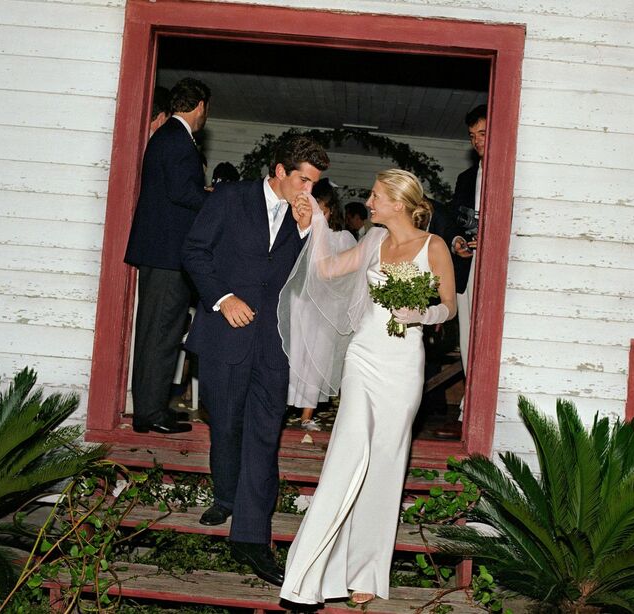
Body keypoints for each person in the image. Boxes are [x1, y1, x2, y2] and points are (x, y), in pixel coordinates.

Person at [278, 169, 457, 606]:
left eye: (376, 197)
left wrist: (423, 315)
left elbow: (449, 307)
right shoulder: (373, 241)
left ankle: (364, 574)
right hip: (363, 355)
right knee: (347, 452)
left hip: (403, 363)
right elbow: (325, 270)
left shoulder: (433, 247)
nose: (369, 203)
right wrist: (317, 224)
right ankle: (308, 574)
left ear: (398, 202)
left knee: (385, 463)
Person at [181, 136, 330, 586]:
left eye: (316, 184)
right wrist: (222, 298)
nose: (309, 190)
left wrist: (307, 232)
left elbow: (308, 281)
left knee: (264, 436)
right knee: (226, 426)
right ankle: (226, 496)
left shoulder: (304, 216)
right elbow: (194, 252)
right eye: (303, 179)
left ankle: (251, 537)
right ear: (280, 171)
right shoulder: (230, 197)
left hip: (274, 343)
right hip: (225, 334)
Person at [124, 77, 212, 435]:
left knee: (158, 333)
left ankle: (152, 407)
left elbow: (177, 190)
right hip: (166, 256)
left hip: (162, 253)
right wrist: (216, 200)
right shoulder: (178, 140)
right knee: (161, 334)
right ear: (200, 106)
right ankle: (149, 412)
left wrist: (199, 190)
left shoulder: (170, 137)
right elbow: (181, 193)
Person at [287, 178, 356, 432]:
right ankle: (283, 405)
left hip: (326, 307)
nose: (318, 216)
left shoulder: (343, 238)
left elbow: (347, 275)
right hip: (299, 302)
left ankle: (307, 413)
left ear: (331, 212)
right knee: (293, 353)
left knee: (318, 357)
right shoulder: (300, 231)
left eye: (323, 212)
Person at [434, 103, 486, 440]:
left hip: (496, 271)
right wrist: (457, 242)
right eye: (473, 136)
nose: (478, 141)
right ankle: (470, 405)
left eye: (483, 133)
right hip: (468, 269)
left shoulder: (514, 172)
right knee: (468, 340)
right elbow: (455, 219)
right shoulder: (467, 178)